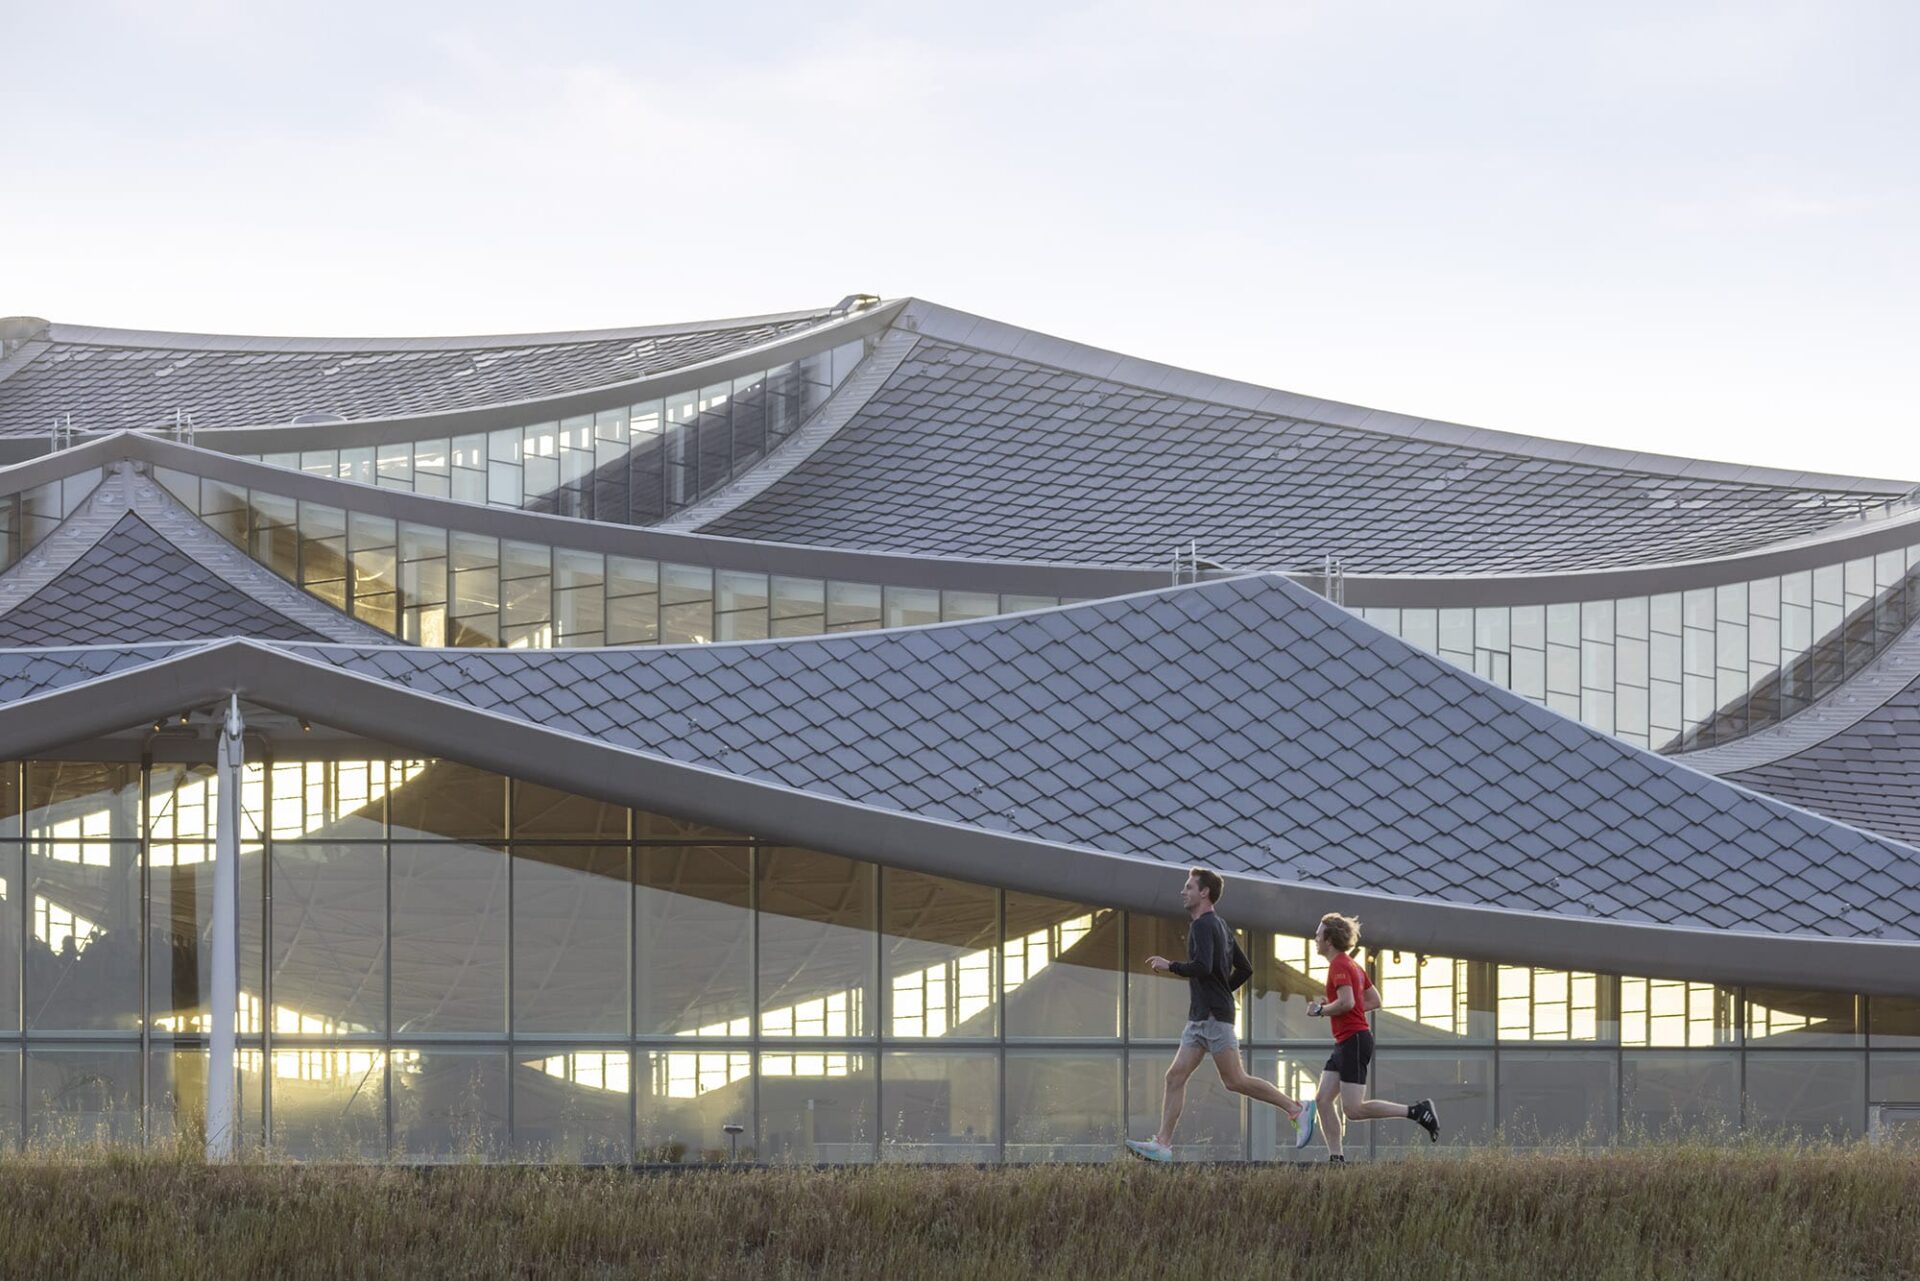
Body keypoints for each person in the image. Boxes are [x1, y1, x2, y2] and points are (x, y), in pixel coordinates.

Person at [1125, 868, 1316, 1162]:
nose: (1183, 892)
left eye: (1189, 887)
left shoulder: (1203, 926)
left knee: (1235, 1080)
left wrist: (1170, 965)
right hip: (1202, 1016)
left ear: (1204, 893)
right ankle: (1163, 1143)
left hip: (1212, 1017)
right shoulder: (1222, 927)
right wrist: (1223, 991)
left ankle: (1296, 1109)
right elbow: (1245, 969)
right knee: (1175, 1076)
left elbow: (1202, 966)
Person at [1305, 912, 1440, 1162]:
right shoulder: (1351, 965)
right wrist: (1340, 1006)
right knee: (1323, 1100)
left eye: (1318, 934)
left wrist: (1322, 1010)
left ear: (1329, 940)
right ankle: (1336, 1159)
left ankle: (1417, 1111)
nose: (1314, 938)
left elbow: (1347, 1002)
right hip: (1346, 1040)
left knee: (1353, 1109)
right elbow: (1373, 1000)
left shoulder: (1339, 966)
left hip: (1353, 1040)